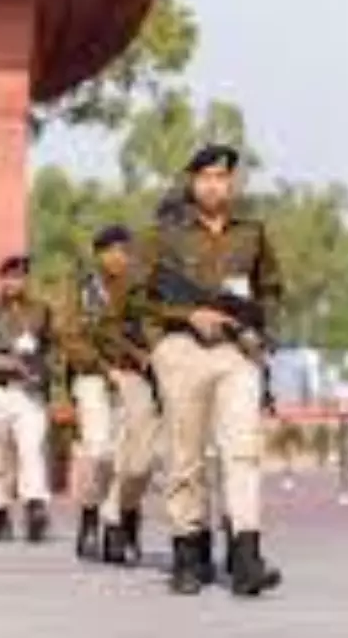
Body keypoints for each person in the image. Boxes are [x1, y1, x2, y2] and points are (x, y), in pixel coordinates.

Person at [146, 144, 283, 596]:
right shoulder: (165, 236)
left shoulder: (253, 233)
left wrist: (261, 334)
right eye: (204, 177)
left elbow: (272, 290)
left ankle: (246, 554)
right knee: (184, 456)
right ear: (192, 182)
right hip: (182, 349)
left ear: (233, 182)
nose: (213, 185)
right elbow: (137, 299)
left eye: (222, 177)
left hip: (235, 353)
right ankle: (188, 551)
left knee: (241, 451)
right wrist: (187, 317)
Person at [86, 224, 160, 565]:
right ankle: (111, 521)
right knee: (110, 453)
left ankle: (127, 515)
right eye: (113, 250)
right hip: (117, 374)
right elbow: (94, 331)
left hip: (170, 377)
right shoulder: (91, 287)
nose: (120, 256)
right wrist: (131, 358)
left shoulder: (159, 279)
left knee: (144, 462)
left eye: (124, 250)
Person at [0, 255, 57, 543]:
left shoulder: (41, 310)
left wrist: (46, 376)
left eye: (20, 276)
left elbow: (52, 348)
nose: (15, 281)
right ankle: (0, 513)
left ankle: (35, 507)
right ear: (1, 279)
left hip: (29, 391)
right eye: (10, 276)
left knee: (32, 449)